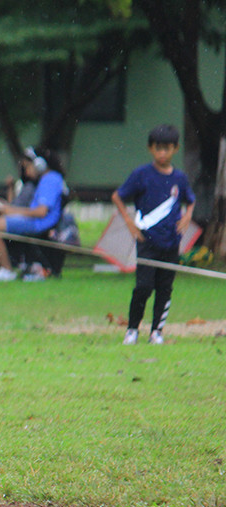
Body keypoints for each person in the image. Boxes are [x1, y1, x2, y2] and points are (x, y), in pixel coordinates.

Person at [112, 124, 195, 345]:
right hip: (147, 241)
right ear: (150, 149)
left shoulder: (180, 178)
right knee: (144, 286)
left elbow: (191, 199)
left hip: (171, 242)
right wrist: (129, 222)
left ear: (175, 148)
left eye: (167, 148)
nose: (162, 153)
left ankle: (157, 331)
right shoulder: (141, 175)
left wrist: (188, 216)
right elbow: (118, 196)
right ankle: (132, 329)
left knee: (165, 288)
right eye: (158, 148)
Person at [0, 147, 66, 281]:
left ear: (39, 165)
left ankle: (6, 270)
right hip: (34, 221)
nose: (26, 171)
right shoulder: (49, 179)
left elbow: (41, 212)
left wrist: (10, 211)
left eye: (28, 167)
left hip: (38, 224)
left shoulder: (50, 180)